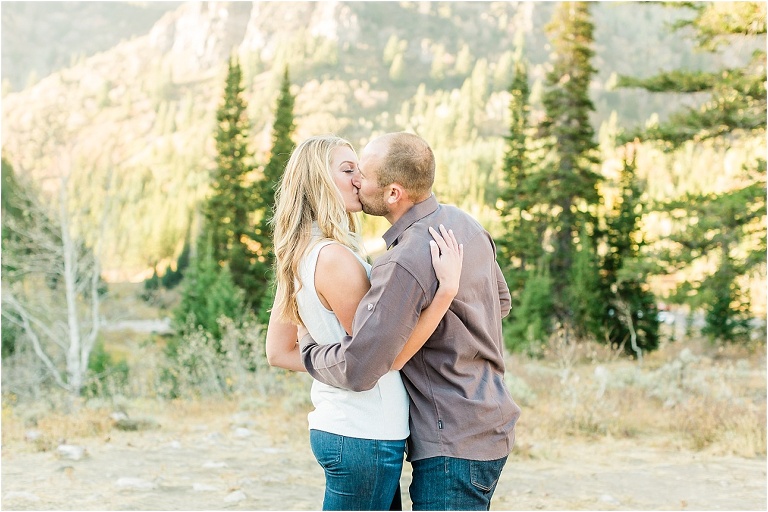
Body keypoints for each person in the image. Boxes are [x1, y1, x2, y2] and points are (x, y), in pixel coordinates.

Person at [300, 132, 522, 511]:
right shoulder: (464, 225)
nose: (357, 182)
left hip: (450, 435)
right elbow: (501, 302)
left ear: (393, 193)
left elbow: (363, 367)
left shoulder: (404, 260)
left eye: (363, 174)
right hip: (489, 420)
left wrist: (309, 352)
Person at [265, 135, 464, 511]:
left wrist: (321, 354)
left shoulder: (300, 254)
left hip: (347, 426)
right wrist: (445, 294)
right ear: (319, 181)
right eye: (348, 170)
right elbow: (381, 356)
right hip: (365, 430)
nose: (360, 178)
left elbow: (279, 352)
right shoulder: (335, 259)